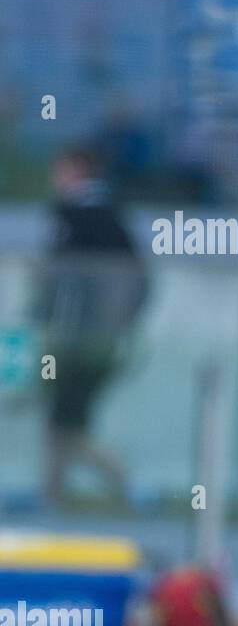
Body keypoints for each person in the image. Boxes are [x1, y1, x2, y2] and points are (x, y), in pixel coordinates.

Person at [40, 147, 149, 507]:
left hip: (80, 340)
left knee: (68, 424)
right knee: (61, 420)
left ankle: (128, 487)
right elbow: (142, 283)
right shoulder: (114, 218)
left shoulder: (77, 218)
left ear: (77, 172)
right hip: (102, 339)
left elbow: (54, 283)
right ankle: (54, 494)